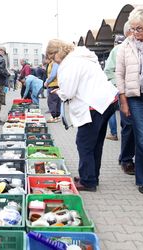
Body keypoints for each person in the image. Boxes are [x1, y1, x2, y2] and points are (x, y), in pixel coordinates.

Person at [46, 39, 118, 192]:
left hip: (92, 106)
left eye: (52, 57)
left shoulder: (69, 64)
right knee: (96, 143)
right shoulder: (82, 57)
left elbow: (68, 92)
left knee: (84, 143)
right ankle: (92, 176)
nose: (53, 61)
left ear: (57, 52)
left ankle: (87, 181)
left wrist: (59, 92)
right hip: (106, 102)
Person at [116, 6, 143, 194]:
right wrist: (124, 101)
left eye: (139, 29)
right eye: (133, 28)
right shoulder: (125, 46)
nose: (135, 33)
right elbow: (120, 74)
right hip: (136, 99)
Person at [104, 23, 136, 175]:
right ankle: (126, 160)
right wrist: (121, 87)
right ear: (129, 31)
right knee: (129, 126)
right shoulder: (118, 50)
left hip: (141, 94)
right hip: (125, 94)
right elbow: (108, 72)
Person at [104, 35, 126, 141]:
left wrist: (116, 83)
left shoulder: (115, 50)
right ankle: (126, 134)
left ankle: (114, 133)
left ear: (115, 43)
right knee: (125, 111)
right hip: (129, 88)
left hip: (116, 87)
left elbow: (107, 70)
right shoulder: (130, 48)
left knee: (111, 110)